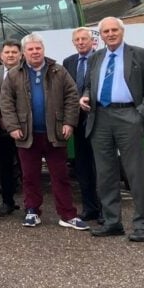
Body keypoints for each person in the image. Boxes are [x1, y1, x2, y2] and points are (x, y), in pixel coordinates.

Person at [79, 17, 144, 242]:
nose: (111, 34)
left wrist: (139, 114)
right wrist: (85, 96)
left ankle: (143, 225)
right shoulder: (96, 57)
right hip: (100, 117)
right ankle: (113, 222)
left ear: (122, 32)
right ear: (101, 35)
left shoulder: (140, 55)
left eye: (114, 30)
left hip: (129, 116)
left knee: (135, 173)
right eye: (106, 31)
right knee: (105, 174)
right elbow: (88, 85)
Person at [0, 34, 88, 230]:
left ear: (43, 50)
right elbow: (6, 103)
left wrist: (69, 122)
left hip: (55, 133)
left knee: (61, 175)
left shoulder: (59, 71)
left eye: (37, 48)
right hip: (27, 134)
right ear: (24, 52)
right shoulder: (15, 74)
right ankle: (32, 211)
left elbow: (72, 97)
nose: (34, 52)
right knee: (29, 176)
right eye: (30, 49)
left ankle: (67, 214)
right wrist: (13, 126)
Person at [62, 27, 101, 222]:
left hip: (99, 120)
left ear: (92, 41)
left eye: (84, 39)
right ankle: (89, 207)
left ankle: (103, 210)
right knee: (82, 167)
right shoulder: (68, 62)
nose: (80, 42)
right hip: (77, 121)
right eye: (77, 40)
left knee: (101, 167)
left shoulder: (100, 59)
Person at [0, 39, 22, 216]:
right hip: (2, 128)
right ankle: (7, 201)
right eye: (7, 52)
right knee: (5, 166)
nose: (10, 55)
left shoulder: (26, 72)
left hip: (24, 128)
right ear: (1, 55)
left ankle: (31, 204)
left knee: (26, 167)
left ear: (20, 55)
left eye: (14, 52)